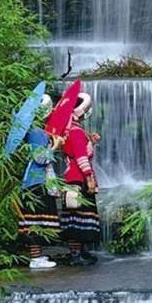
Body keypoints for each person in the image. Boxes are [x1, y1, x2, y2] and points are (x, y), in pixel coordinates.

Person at [18, 94, 62, 270]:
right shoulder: (36, 132)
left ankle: (38, 255)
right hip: (36, 181)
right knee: (36, 220)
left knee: (37, 219)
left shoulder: (33, 130)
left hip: (34, 180)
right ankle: (35, 258)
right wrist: (55, 146)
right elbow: (39, 158)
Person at [61, 92, 102, 266]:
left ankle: (80, 251)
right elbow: (81, 157)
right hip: (78, 178)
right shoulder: (76, 132)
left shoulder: (71, 131)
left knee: (78, 214)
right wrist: (89, 178)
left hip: (73, 177)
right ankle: (76, 254)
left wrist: (90, 141)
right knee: (77, 215)